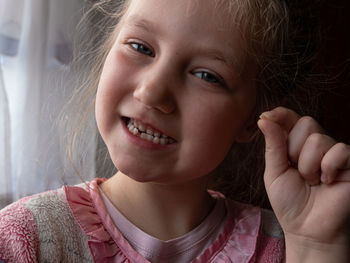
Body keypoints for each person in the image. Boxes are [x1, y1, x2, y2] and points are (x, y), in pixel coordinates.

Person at [1, 0, 349, 262]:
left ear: (251, 118)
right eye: (140, 47)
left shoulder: (288, 245)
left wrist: (318, 246)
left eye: (206, 75)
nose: (152, 93)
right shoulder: (24, 239)